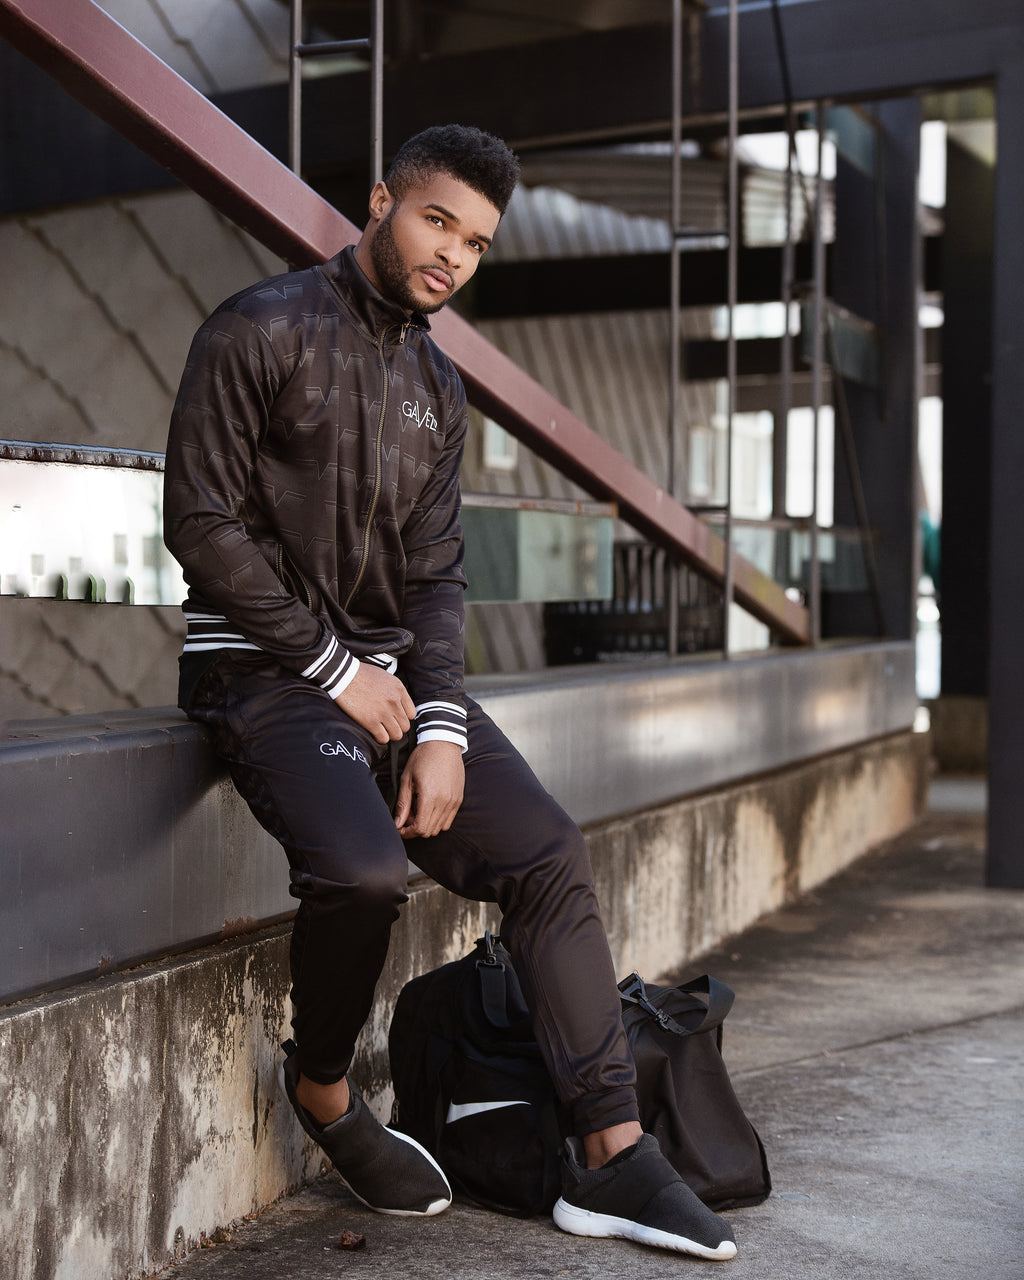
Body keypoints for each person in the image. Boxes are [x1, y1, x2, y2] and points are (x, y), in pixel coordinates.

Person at [163, 123, 736, 1261]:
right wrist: (336, 670)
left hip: (387, 684)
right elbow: (200, 522)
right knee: (365, 870)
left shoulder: (436, 381)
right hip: (264, 671)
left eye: (476, 243)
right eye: (438, 222)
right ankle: (325, 1090)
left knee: (548, 851)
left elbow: (433, 577)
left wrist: (437, 723)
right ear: (381, 201)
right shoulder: (258, 326)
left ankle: (612, 1153)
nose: (453, 257)